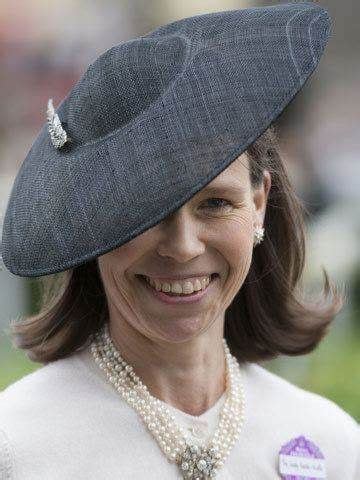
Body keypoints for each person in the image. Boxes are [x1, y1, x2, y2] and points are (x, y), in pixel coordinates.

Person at [0, 2, 359, 479]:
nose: (184, 246)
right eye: (146, 212)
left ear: (258, 204)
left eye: (215, 204)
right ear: (97, 224)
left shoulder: (332, 443)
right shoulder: (18, 447)